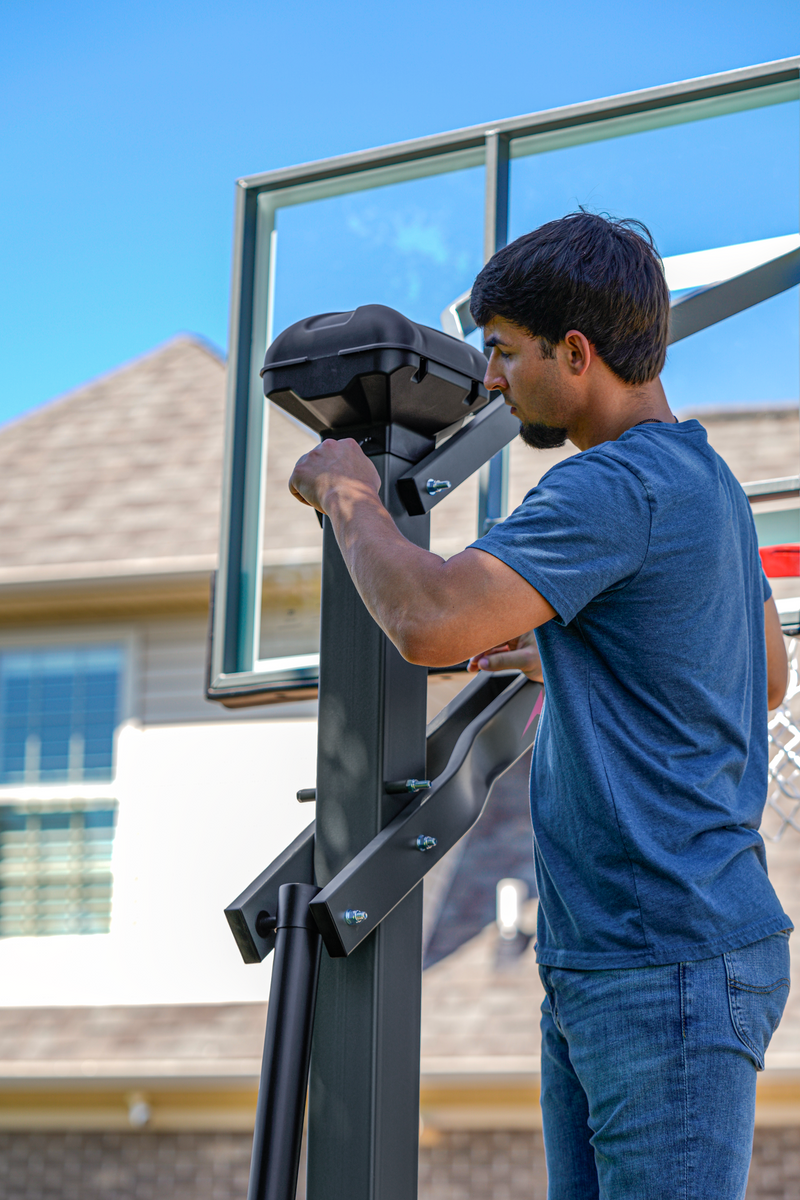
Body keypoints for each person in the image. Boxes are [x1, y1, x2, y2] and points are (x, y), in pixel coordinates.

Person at [288, 212, 791, 1199]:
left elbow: (430, 620)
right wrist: (588, 653)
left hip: (660, 968)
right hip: (628, 958)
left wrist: (349, 495)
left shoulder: (612, 485)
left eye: (504, 351)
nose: (490, 378)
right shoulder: (707, 480)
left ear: (575, 352)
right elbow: (762, 672)